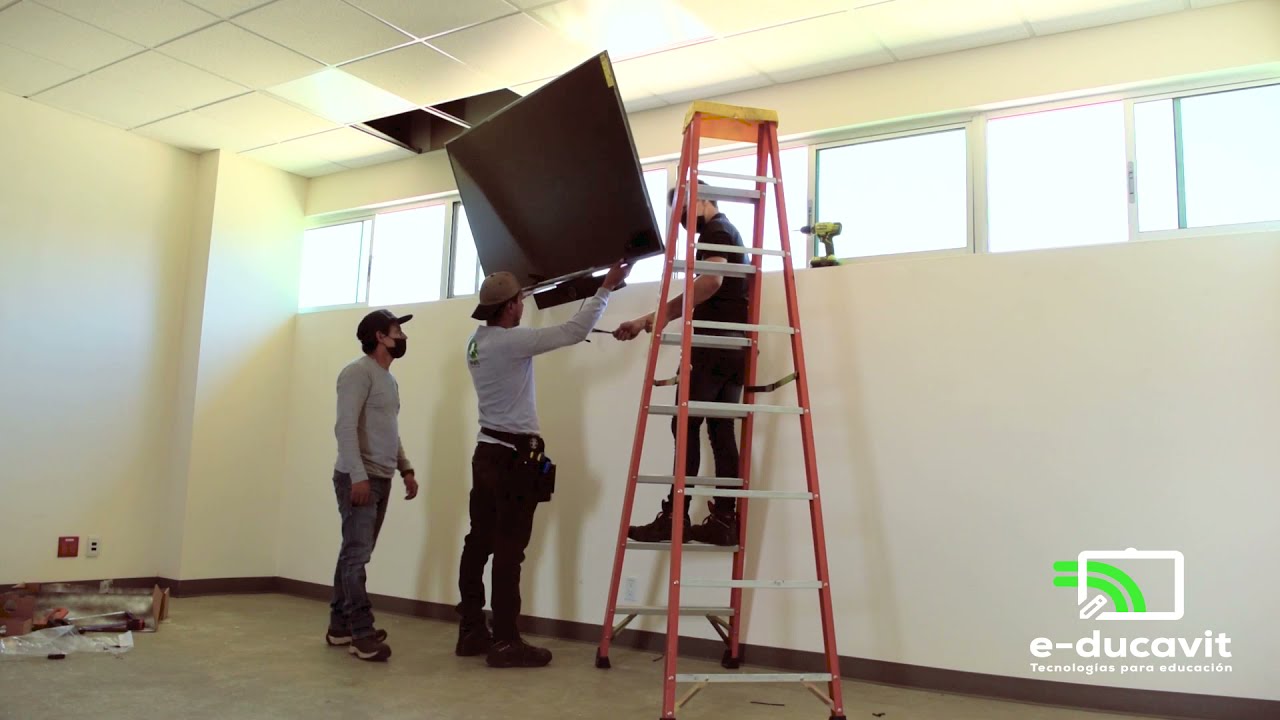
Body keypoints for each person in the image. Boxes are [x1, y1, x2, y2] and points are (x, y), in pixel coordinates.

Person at [456, 262, 630, 668]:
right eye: (519, 301)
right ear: (510, 308)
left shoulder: (476, 341)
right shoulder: (511, 342)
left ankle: (471, 631)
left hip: (486, 453)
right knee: (509, 550)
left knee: (478, 541)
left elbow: (524, 320)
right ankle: (505, 641)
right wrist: (603, 289)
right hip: (512, 458)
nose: (522, 306)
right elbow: (573, 332)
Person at [614, 183, 749, 546]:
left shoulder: (717, 231)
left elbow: (710, 282)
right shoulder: (728, 232)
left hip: (713, 347)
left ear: (704, 199)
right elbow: (705, 286)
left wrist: (664, 315)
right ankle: (724, 519)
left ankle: (676, 518)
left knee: (685, 422)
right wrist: (646, 319)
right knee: (719, 429)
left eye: (685, 211)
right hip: (734, 348)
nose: (684, 222)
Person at [327, 309, 420, 662]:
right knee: (357, 556)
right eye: (398, 330)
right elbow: (345, 428)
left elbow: (389, 431)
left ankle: (339, 626)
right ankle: (361, 633)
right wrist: (357, 475)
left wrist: (405, 468)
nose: (403, 337)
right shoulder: (357, 373)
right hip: (359, 478)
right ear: (380, 337)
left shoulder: (389, 380)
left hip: (380, 476)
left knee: (353, 552)